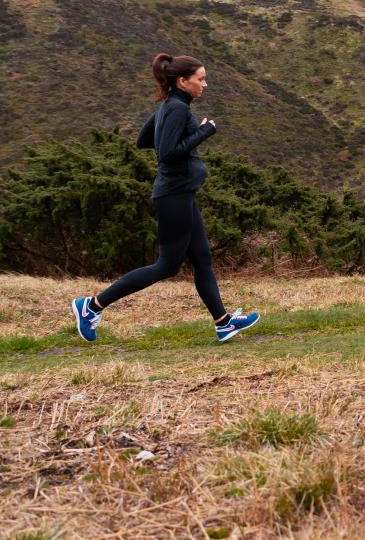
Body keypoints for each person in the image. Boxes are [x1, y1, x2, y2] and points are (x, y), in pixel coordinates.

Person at [71, 54, 260, 343]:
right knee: (167, 265)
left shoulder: (169, 106)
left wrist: (181, 131)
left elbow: (143, 140)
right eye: (200, 79)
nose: (205, 84)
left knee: (202, 258)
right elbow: (167, 153)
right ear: (183, 81)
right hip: (174, 194)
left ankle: (223, 322)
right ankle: (92, 306)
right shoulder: (175, 109)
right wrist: (204, 131)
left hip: (181, 192)